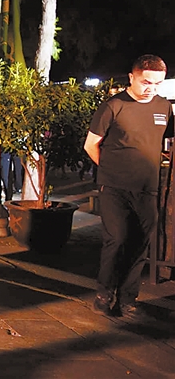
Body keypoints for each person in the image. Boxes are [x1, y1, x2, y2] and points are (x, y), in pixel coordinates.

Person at [84, 54, 173, 321]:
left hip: (148, 188)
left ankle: (127, 298)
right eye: (146, 82)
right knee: (117, 238)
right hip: (114, 187)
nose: (151, 88)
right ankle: (104, 294)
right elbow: (90, 145)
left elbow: (165, 142)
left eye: (157, 84)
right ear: (132, 77)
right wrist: (110, 171)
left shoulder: (164, 107)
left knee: (140, 243)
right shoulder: (113, 106)